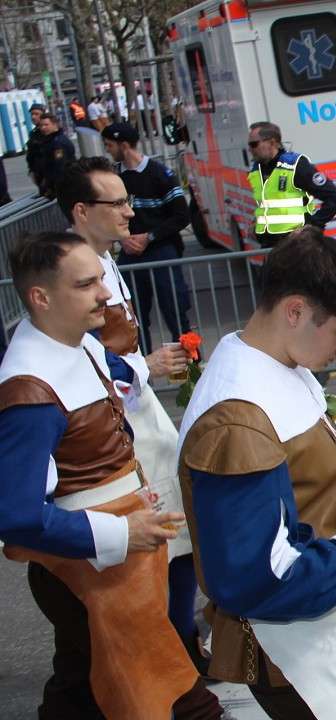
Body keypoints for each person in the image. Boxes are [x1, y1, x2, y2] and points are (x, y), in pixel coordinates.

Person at [177, 227, 336, 719]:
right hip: (288, 646)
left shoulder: (274, 365)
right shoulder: (237, 416)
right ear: (294, 310)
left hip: (313, 627)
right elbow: (257, 579)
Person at [0, 230, 223, 719]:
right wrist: (121, 530)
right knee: (171, 692)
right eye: (86, 284)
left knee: (80, 686)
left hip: (110, 557)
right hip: (93, 566)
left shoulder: (75, 342)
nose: (105, 293)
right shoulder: (29, 390)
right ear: (41, 297)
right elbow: (15, 516)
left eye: (101, 278)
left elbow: (116, 372)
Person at [56, 155, 212, 676]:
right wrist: (143, 365)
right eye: (117, 202)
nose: (130, 211)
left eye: (128, 199)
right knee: (163, 537)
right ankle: (171, 653)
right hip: (117, 428)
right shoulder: (72, 270)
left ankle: (178, 644)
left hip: (136, 416)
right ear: (81, 211)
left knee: (176, 533)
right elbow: (78, 356)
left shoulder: (106, 259)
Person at [103, 122, 193, 351]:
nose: (107, 150)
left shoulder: (161, 174)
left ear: (124, 145)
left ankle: (188, 375)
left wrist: (149, 237)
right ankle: (143, 378)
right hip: (130, 256)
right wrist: (122, 238)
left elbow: (181, 215)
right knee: (132, 319)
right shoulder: (113, 179)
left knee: (176, 314)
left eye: (109, 145)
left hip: (163, 252)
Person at [247, 121, 336, 248]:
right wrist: (255, 223)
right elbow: (269, 205)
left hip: (298, 248)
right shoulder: (259, 169)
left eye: (254, 144)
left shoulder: (294, 166)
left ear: (271, 143)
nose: (250, 149)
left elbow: (334, 198)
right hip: (271, 247)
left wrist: (310, 227)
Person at [32, 112, 76, 199]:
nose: (43, 128)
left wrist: (49, 184)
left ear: (54, 124)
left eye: (46, 125)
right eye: (41, 125)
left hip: (62, 186)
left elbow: (60, 166)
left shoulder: (58, 143)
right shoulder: (51, 140)